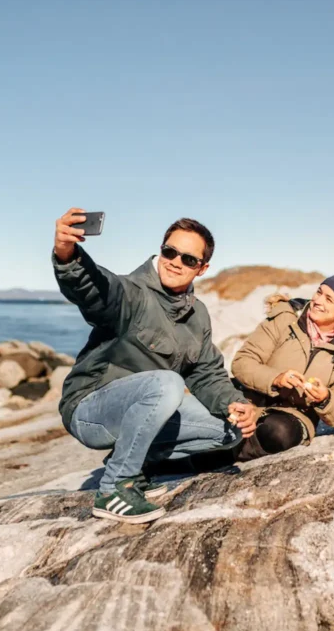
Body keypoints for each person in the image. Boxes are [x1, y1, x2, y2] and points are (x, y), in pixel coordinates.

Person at [52, 209, 259, 524]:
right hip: (91, 411)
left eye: (189, 259)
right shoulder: (132, 293)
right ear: (160, 250)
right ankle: (113, 490)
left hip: (144, 411)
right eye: (170, 251)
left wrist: (236, 404)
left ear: (202, 269)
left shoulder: (198, 315)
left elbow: (206, 373)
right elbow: (94, 289)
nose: (176, 261)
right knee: (167, 384)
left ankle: (136, 464)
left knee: (230, 431)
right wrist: (67, 254)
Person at [229, 275, 334, 458]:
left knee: (278, 433)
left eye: (328, 299)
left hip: (293, 415)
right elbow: (242, 362)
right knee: (226, 419)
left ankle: (221, 454)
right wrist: (276, 378)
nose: (317, 300)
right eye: (319, 292)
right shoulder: (284, 318)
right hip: (249, 397)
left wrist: (325, 398)